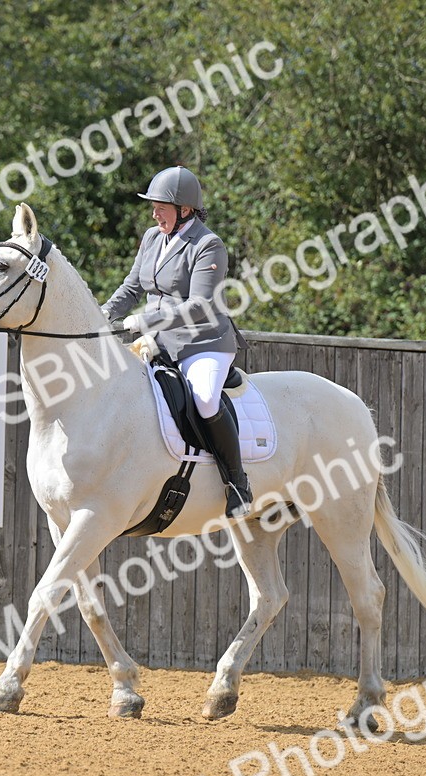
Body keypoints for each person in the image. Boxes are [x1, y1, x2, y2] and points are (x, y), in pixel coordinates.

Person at [101, 165, 253, 518]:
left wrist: (146, 320)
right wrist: (104, 313)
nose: (155, 214)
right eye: (153, 207)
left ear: (185, 209)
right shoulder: (152, 238)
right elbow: (132, 286)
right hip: (160, 342)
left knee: (203, 399)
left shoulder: (208, 245)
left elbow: (199, 306)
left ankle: (237, 483)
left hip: (204, 343)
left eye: (161, 208)